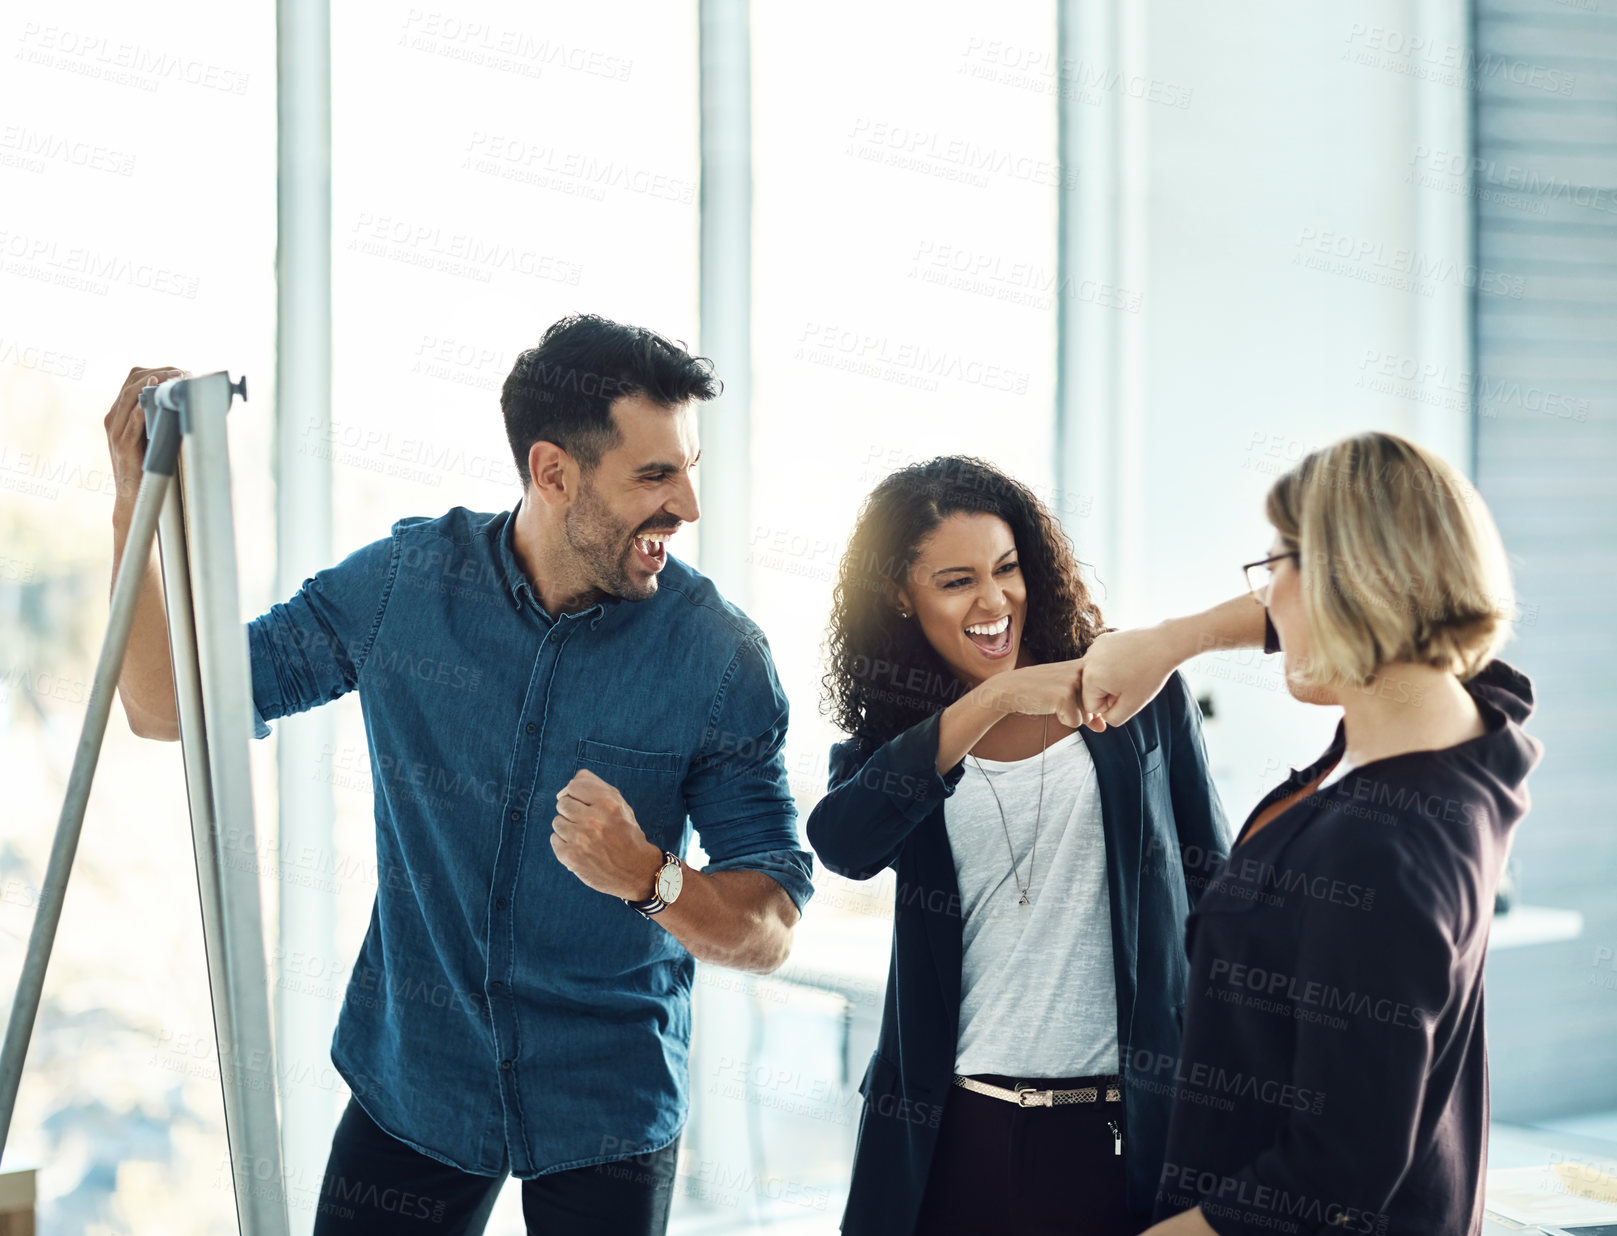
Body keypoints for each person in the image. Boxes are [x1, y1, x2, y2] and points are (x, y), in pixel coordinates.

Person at [101, 315, 815, 1236]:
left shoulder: (718, 660)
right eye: (653, 476)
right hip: (416, 1080)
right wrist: (134, 501)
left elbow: (770, 929)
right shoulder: (404, 587)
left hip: (607, 1107)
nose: (686, 505)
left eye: (688, 468)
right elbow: (167, 708)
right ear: (553, 472)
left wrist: (649, 877)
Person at [1076, 432, 1541, 1236]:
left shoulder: (1378, 847)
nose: (1266, 603)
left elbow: (1335, 1170)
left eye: (1274, 571)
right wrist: (1169, 643)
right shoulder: (1468, 736)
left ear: (1346, 584)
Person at [806, 456, 1230, 1236]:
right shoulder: (897, 742)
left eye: (1006, 569)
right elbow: (843, 844)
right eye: (956, 580)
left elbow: (1217, 891)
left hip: (1121, 1126)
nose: (994, 600)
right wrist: (994, 697)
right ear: (901, 595)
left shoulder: (1134, 694)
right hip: (952, 1132)